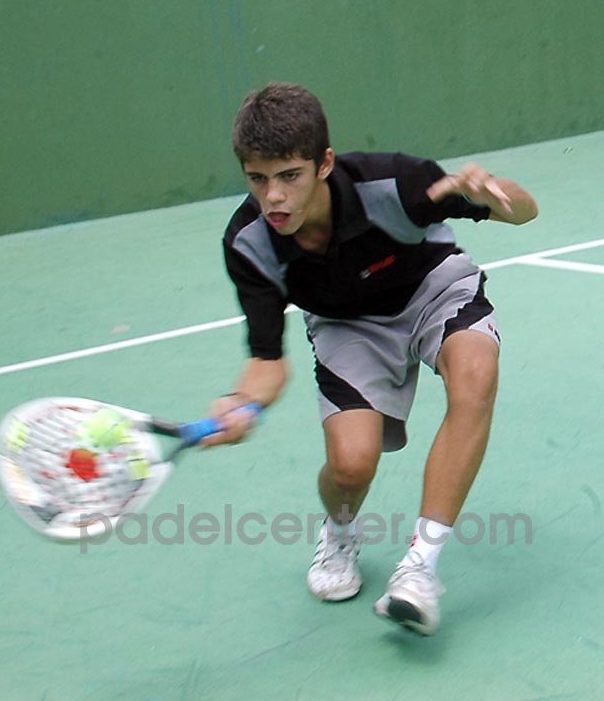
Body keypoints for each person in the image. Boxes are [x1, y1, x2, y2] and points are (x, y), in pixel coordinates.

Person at [203, 82, 538, 635]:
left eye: (290, 176)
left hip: (434, 291)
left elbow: (525, 213)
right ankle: (339, 532)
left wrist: (492, 189)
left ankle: (419, 569)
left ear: (324, 163)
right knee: (351, 466)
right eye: (258, 179)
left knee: (476, 373)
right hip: (346, 325)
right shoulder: (249, 242)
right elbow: (266, 361)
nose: (274, 197)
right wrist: (243, 404)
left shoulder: (395, 183)